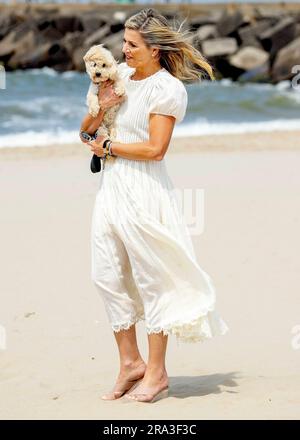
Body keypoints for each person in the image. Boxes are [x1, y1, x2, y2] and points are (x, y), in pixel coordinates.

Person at [80, 8, 229, 404]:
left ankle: (158, 373)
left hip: (144, 190)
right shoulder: (119, 79)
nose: (123, 51)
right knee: (106, 275)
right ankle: (131, 363)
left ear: (156, 49)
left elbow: (155, 149)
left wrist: (109, 146)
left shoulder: (167, 89)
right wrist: (101, 106)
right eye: (124, 43)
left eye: (132, 45)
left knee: (151, 278)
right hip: (110, 189)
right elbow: (85, 130)